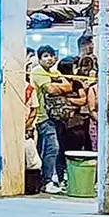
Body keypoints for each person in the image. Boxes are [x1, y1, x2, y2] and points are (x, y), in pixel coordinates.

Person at [31, 45, 72, 194]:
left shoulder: (54, 71)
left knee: (54, 149)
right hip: (42, 117)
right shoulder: (37, 72)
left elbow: (69, 87)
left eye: (51, 56)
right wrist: (56, 85)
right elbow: (51, 90)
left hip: (56, 116)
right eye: (45, 56)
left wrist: (55, 84)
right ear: (39, 58)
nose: (49, 59)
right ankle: (46, 181)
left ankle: (55, 179)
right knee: (51, 148)